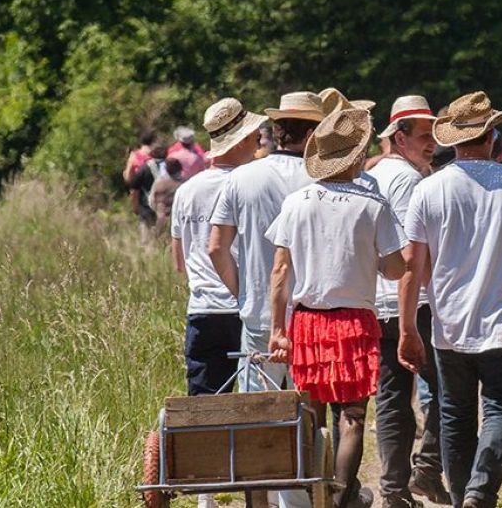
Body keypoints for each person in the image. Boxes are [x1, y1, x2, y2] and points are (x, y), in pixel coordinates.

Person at [398, 92, 502, 508]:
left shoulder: (430, 190)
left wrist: (408, 327)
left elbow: (413, 266)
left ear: (453, 139)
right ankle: (479, 493)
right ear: (492, 134)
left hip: (449, 325)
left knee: (455, 415)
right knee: (501, 409)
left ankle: (463, 493)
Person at [267, 106, 408, 508]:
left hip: (308, 321)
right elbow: (396, 269)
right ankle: (343, 497)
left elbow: (279, 272)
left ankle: (311, 496)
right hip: (356, 321)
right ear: (358, 157)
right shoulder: (373, 205)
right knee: (352, 419)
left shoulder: (296, 203)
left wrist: (279, 329)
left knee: (310, 419)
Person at [208, 92, 324, 508]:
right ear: (311, 133)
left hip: (259, 315)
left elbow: (217, 246)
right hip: (313, 312)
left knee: (260, 414)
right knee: (307, 413)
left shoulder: (243, 177)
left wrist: (245, 291)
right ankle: (305, 498)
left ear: (277, 132)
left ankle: (266, 502)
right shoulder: (321, 178)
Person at [366, 96, 448, 507]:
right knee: (450, 388)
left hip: (379, 301)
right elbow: (410, 251)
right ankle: (429, 467)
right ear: (400, 138)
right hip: (410, 301)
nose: (432, 143)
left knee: (393, 397)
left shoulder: (374, 172)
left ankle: (394, 488)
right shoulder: (409, 181)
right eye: (423, 136)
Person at [171, 98, 266, 397]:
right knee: (261, 405)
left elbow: (179, 262)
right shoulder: (250, 184)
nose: (260, 141)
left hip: (201, 309)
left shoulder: (186, 191)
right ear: (238, 142)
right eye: (254, 136)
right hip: (245, 308)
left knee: (204, 410)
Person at [129, 144, 166, 239]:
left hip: (146, 209)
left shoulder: (144, 169)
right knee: (163, 240)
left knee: (146, 242)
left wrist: (135, 207)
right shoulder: (171, 168)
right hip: (166, 209)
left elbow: (134, 190)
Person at [151, 157, 186, 237]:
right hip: (179, 222)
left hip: (161, 220)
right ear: (180, 168)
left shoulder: (158, 184)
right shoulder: (184, 185)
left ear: (166, 169)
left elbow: (152, 201)